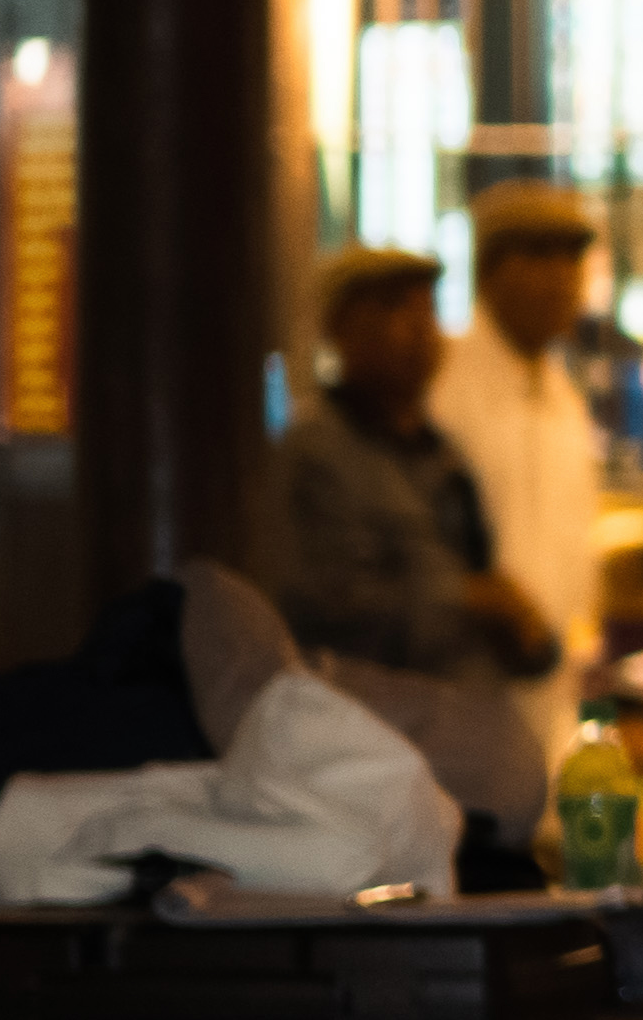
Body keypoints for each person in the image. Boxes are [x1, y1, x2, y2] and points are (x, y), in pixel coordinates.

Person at [261, 245, 564, 691]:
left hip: (462, 726)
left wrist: (528, 632)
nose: (421, 328)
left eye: (428, 309)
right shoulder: (316, 452)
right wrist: (471, 601)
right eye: (395, 308)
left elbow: (486, 578)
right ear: (339, 329)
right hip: (372, 731)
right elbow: (327, 609)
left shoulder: (444, 454)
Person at [431, 182, 613, 762]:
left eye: (572, 260)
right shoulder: (445, 387)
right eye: (539, 257)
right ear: (489, 273)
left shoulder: (565, 399)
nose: (562, 278)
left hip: (548, 685)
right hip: (462, 682)